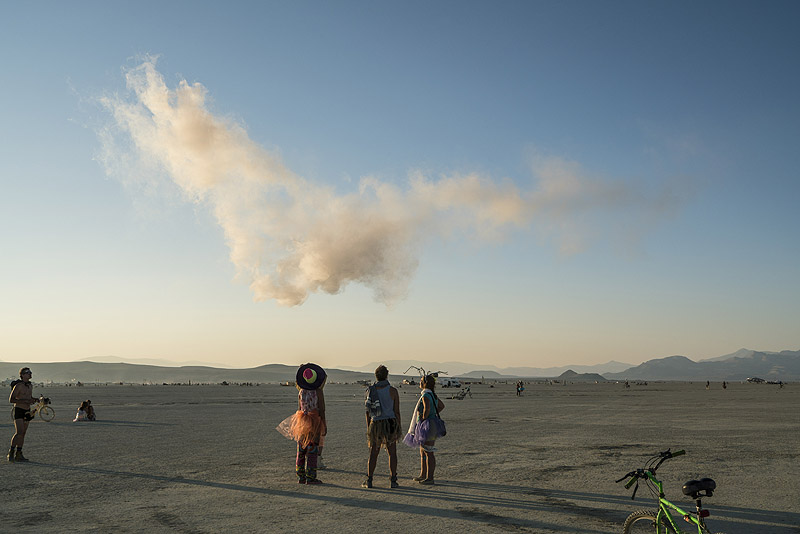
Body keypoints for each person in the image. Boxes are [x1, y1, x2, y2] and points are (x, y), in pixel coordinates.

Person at [276, 363, 327, 485]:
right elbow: (322, 409)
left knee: (301, 449)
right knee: (312, 448)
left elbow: (299, 407)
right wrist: (324, 423)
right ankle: (311, 477)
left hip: (302, 419)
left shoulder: (301, 392)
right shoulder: (318, 392)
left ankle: (301, 475)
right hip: (314, 420)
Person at [362, 365, 401, 489]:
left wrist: (369, 427)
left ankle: (369, 479)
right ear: (387, 375)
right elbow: (396, 411)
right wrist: (398, 426)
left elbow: (367, 411)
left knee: (373, 452)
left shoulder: (370, 390)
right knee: (392, 452)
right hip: (390, 423)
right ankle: (393, 479)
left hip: (376, 423)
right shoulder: (393, 391)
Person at [402, 374, 445, 485]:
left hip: (427, 425)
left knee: (428, 451)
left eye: (421, 381)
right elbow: (441, 406)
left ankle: (429, 477)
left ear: (425, 383)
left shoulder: (426, 395)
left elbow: (427, 408)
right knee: (423, 451)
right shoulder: (433, 395)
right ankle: (423, 474)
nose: (420, 382)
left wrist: (424, 417)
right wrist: (433, 414)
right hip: (432, 423)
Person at [8, 367, 37, 462]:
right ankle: (11, 452)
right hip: (19, 410)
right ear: (23, 375)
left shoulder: (30, 386)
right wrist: (23, 401)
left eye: (30, 373)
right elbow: (11, 399)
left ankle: (19, 453)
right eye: (28, 373)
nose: (30, 374)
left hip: (27, 410)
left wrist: (34, 400)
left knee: (23, 433)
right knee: (19, 432)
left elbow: (29, 397)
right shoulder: (18, 386)